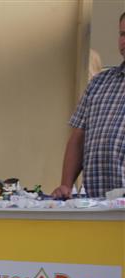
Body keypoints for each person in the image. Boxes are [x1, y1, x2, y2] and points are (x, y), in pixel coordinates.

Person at [52, 12, 125, 200]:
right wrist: (66, 185)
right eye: (122, 34)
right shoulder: (99, 83)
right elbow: (78, 138)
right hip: (96, 203)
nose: (124, 40)